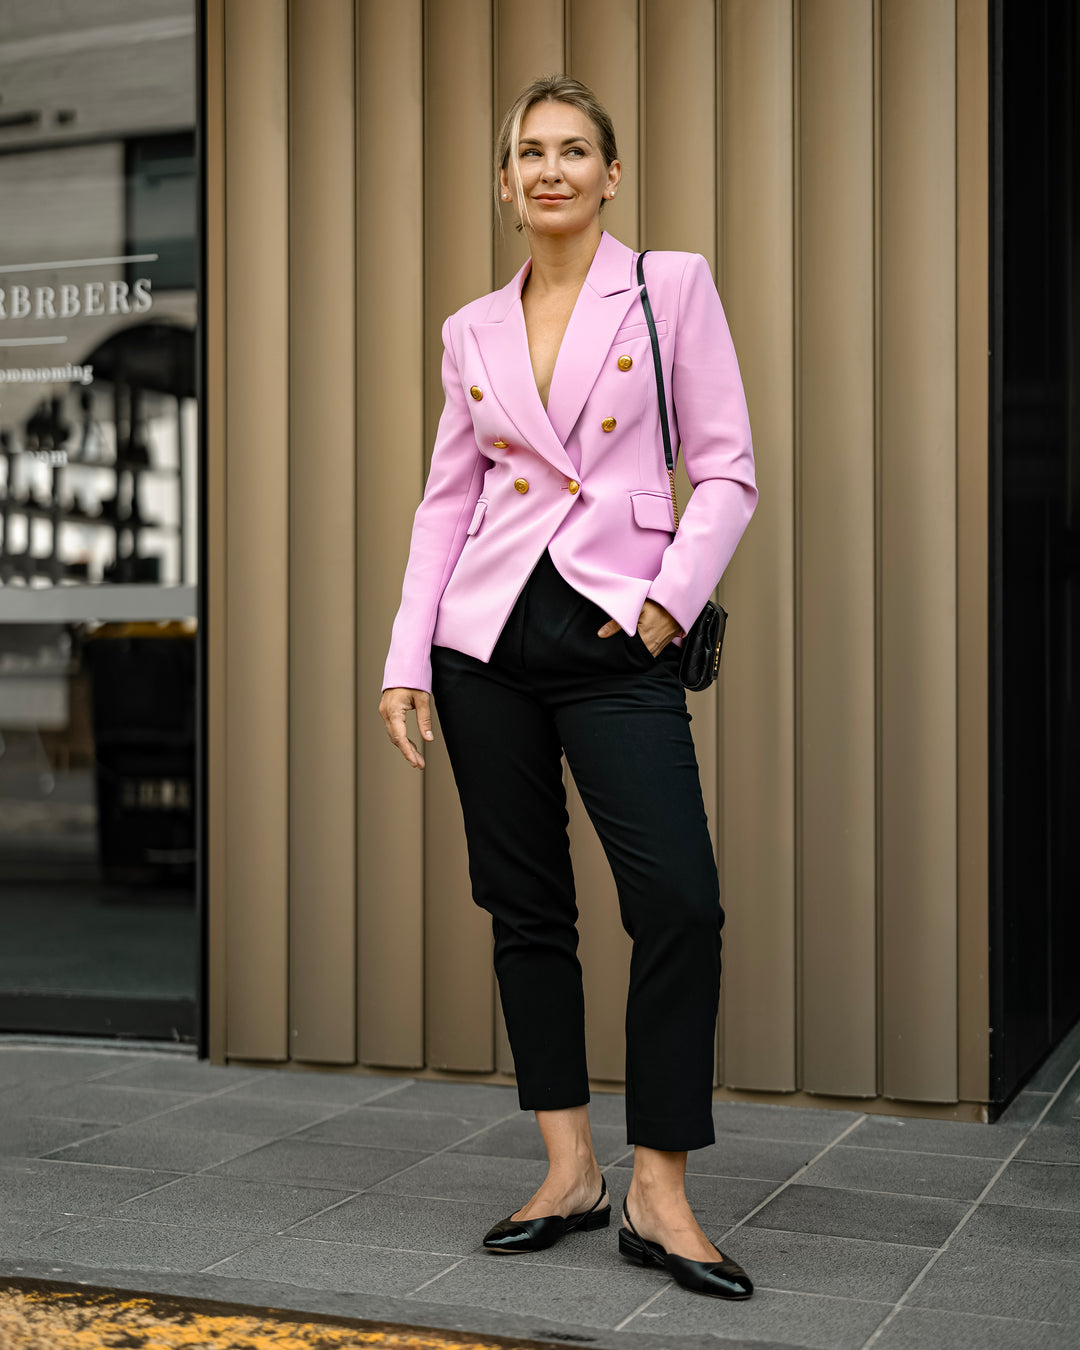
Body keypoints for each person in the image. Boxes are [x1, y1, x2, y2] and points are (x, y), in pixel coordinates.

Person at [379, 74, 757, 1301]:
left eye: (574, 150)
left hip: (614, 636)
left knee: (680, 903)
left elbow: (729, 470)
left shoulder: (671, 287)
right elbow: (448, 502)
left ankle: (661, 1189)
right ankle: (568, 1169)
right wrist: (404, 659)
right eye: (529, 153)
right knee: (526, 906)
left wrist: (666, 602)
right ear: (504, 182)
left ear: (609, 173)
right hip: (483, 642)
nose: (550, 169)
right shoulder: (469, 329)